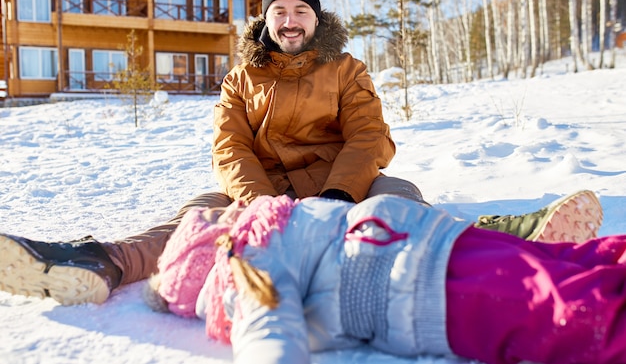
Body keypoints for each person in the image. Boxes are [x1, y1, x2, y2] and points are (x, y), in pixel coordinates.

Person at [0, 0, 602, 306]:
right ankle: (96, 263)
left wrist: (341, 196)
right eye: (279, 11)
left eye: (301, 12)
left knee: (399, 196)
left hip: (341, 186)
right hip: (262, 193)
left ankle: (508, 238)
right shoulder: (239, 80)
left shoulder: (346, 71)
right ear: (265, 20)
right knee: (194, 215)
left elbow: (370, 136)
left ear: (318, 20)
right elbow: (229, 148)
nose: (289, 21)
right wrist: (256, 201)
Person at [144, 192, 622, 364]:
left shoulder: (260, 242)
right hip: (420, 257)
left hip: (418, 269)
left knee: (558, 293)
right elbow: (269, 332)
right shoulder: (261, 240)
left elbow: (269, 329)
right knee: (563, 276)